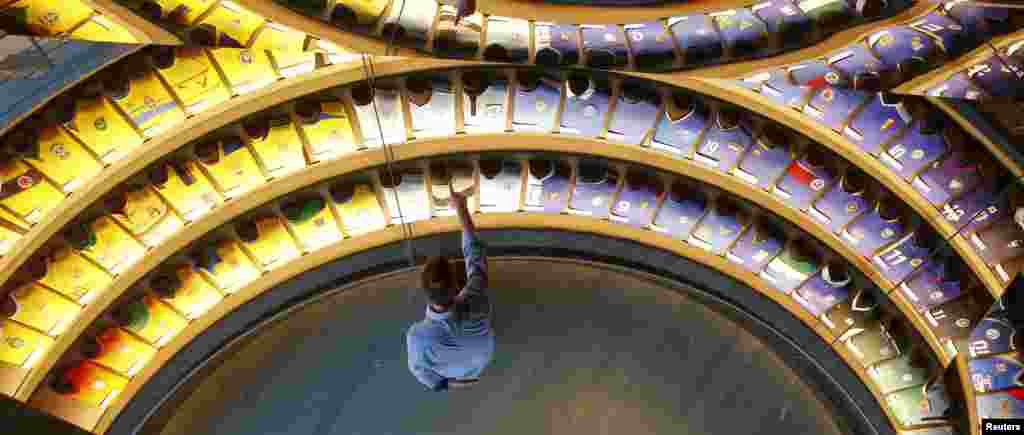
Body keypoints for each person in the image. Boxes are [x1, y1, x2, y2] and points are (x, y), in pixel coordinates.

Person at [406, 179, 494, 392]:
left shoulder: (417, 337)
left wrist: (446, 383)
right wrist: (461, 207)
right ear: (457, 286)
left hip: (464, 371)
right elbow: (475, 255)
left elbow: (420, 371)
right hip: (480, 362)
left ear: (425, 294)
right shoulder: (477, 299)